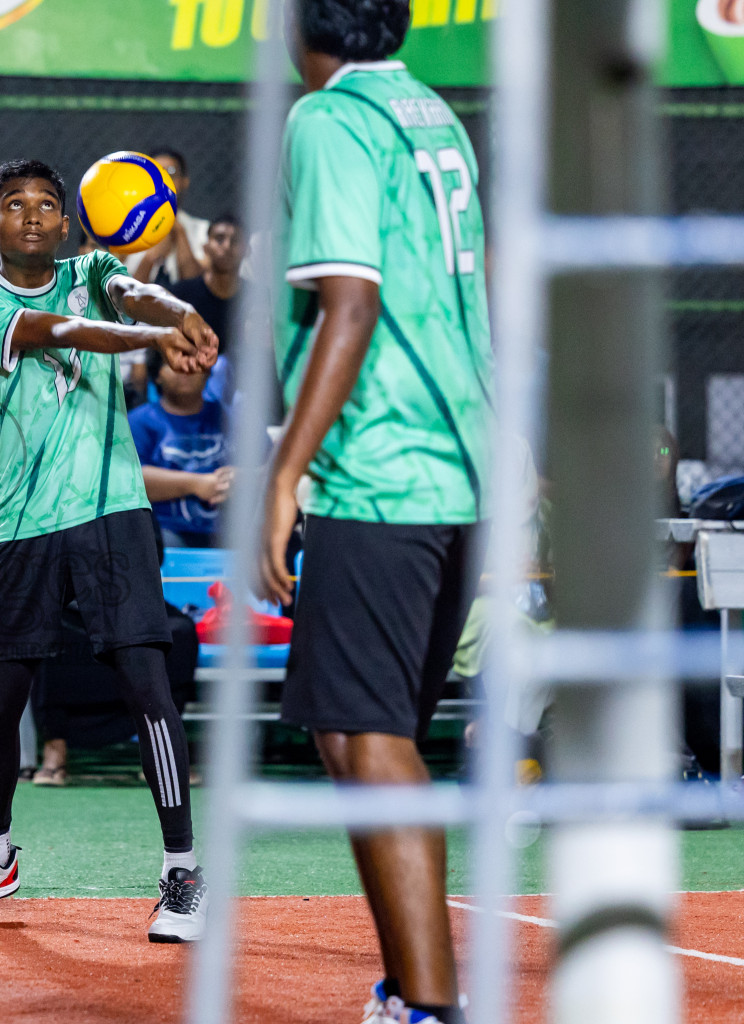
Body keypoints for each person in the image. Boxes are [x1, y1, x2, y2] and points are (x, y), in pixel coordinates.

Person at [0, 159, 219, 943]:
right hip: (25, 521)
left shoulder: (95, 267)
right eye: (16, 205)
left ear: (71, 220)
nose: (36, 215)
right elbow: (63, 332)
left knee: (149, 686)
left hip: (113, 511)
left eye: (50, 203)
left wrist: (175, 307)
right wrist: (157, 333)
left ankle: (182, 872)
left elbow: (133, 292)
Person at [257, 4, 492, 1022]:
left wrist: (283, 475)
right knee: (356, 734)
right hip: (459, 470)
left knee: (369, 734)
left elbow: (350, 301)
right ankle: (409, 991)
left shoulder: (327, 118)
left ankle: (433, 1004)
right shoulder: (431, 110)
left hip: (383, 469)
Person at [129, 350, 230, 548]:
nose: (186, 368)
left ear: (209, 370)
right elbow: (130, 479)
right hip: (164, 533)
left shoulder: (234, 418)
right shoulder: (138, 422)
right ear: (157, 375)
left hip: (232, 532)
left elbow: (272, 467)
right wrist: (196, 484)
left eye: (194, 359)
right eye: (173, 362)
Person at [126, 147, 208, 285]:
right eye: (155, 173)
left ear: (184, 181)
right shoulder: (127, 231)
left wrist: (179, 232)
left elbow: (198, 292)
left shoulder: (204, 231)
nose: (163, 180)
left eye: (170, 173)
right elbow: (123, 298)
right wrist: (150, 258)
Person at [168, 213, 245, 350]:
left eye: (235, 241)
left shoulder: (260, 298)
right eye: (219, 239)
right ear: (205, 247)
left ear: (247, 250)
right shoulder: (179, 296)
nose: (227, 246)